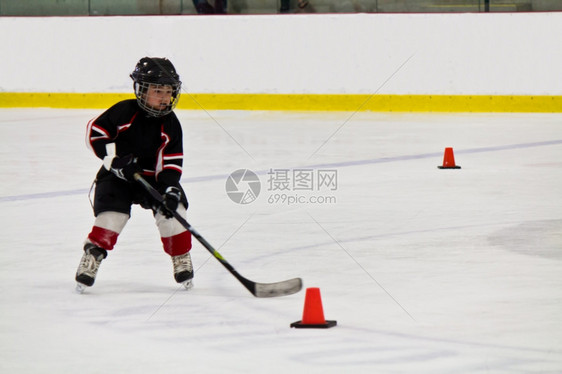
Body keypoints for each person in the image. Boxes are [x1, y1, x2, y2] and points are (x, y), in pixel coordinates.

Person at [75, 57, 193, 292]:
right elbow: (96, 133)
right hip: (118, 178)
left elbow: (169, 163)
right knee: (112, 216)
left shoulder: (170, 124)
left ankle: (180, 255)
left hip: (152, 179)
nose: (164, 97)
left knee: (174, 211)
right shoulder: (124, 111)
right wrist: (115, 161)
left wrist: (169, 189)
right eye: (158, 91)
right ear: (141, 90)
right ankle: (94, 253)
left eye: (168, 91)